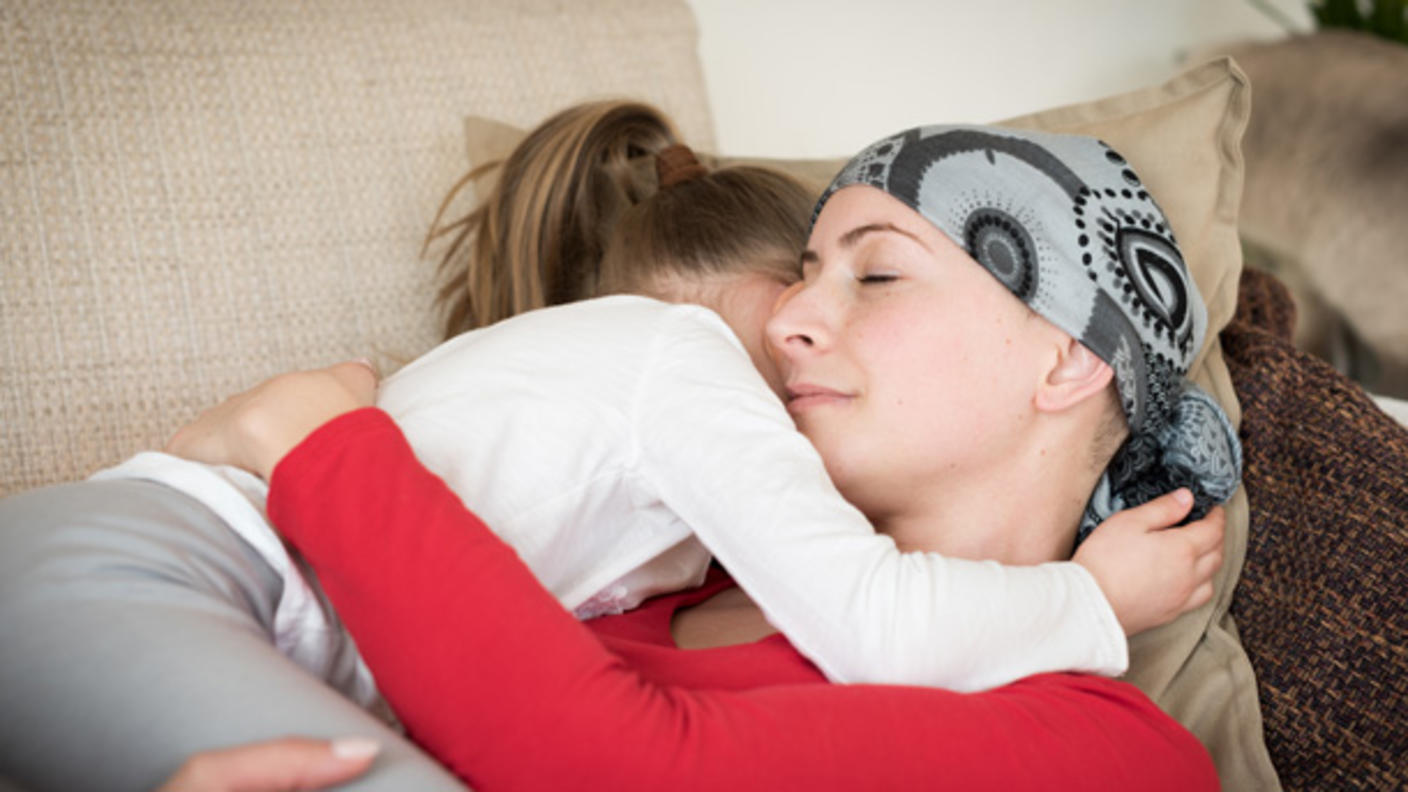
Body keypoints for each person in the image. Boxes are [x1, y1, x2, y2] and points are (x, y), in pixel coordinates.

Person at [159, 121, 1240, 790]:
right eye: (804, 274)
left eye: (876, 276)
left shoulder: (1106, 753)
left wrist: (323, 450)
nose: (786, 325)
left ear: (1067, 360)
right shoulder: (627, 567)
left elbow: (605, 767)